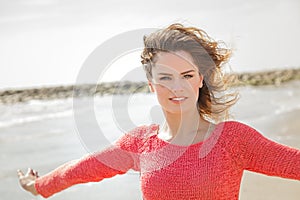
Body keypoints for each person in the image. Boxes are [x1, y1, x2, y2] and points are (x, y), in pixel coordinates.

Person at [17, 23, 300, 199]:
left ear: (200, 79)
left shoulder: (233, 140)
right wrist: (40, 185)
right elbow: (83, 169)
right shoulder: (139, 143)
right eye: (166, 77)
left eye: (187, 75)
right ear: (152, 85)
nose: (177, 87)